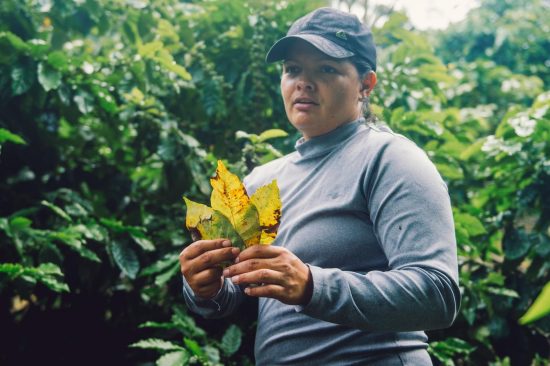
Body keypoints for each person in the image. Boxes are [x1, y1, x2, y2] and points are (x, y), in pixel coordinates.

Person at [179, 7, 460, 365]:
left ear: (366, 84)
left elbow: (438, 295)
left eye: (326, 69)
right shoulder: (260, 181)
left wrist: (312, 285)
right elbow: (234, 294)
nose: (303, 82)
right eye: (293, 69)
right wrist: (206, 286)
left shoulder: (390, 159)